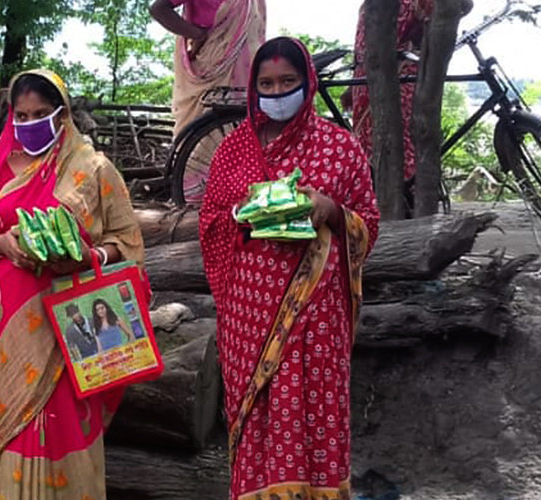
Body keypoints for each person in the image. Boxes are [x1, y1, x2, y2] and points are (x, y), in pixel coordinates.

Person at [199, 37, 380, 499]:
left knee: (313, 419)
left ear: (308, 83)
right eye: (266, 83)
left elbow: (369, 223)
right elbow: (211, 221)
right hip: (248, 319)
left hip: (316, 319)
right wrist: (243, 214)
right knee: (258, 421)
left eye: (288, 82)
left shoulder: (340, 148)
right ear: (253, 88)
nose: (277, 92)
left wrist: (331, 209)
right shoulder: (234, 150)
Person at [0, 69, 144, 499]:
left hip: (71, 325)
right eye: (21, 116)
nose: (29, 123)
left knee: (66, 419)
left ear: (62, 115)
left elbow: (127, 241)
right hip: (9, 329)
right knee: (15, 426)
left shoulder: (93, 168)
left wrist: (90, 257)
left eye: (40, 113)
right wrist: (0, 245)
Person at [346, 0, 433, 209]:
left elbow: (460, 7)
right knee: (371, 146)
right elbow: (361, 45)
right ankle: (378, 200)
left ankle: (402, 200)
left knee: (398, 143)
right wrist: (352, 84)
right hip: (367, 81)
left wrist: (419, 32)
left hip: (400, 78)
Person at [150, 0, 265, 136]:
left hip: (249, 64)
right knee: (204, 130)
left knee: (245, 126)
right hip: (212, 65)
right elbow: (159, 9)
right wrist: (197, 34)